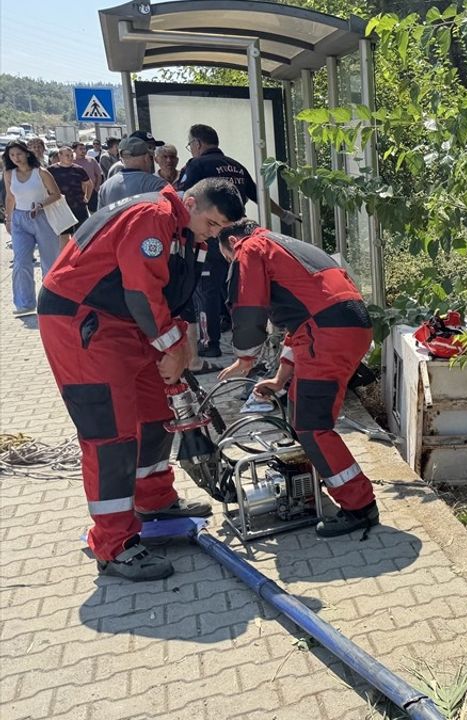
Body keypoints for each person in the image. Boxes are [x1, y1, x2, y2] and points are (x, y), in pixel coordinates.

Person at [37, 179, 245, 581]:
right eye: (212, 222)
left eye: (221, 228)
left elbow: (177, 295)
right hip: (85, 320)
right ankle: (114, 545)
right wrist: (172, 345)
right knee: (111, 434)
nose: (215, 233)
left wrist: (180, 341)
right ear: (190, 203)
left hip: (127, 323)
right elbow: (141, 291)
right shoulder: (153, 217)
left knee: (155, 413)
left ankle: (154, 500)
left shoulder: (186, 232)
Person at [216, 219, 378, 537]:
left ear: (233, 241)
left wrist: (245, 358)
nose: (231, 263)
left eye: (226, 258)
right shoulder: (290, 246)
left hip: (328, 334)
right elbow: (300, 328)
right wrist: (279, 379)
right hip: (345, 327)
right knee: (297, 408)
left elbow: (249, 307)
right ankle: (312, 479)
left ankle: (359, 506)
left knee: (312, 426)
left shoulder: (250, 248)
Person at [177, 124, 297, 359]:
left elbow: (183, 196)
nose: (191, 149)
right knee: (234, 284)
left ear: (198, 144)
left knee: (205, 289)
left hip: (210, 231)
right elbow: (258, 194)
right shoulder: (236, 166)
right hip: (238, 234)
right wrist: (283, 214)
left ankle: (210, 342)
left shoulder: (197, 165)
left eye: (190, 145)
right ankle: (238, 332)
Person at [3, 140, 63, 317]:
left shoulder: (41, 173)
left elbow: (56, 194)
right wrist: (8, 219)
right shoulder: (9, 173)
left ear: (27, 153)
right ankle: (25, 302)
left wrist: (41, 205)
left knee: (49, 261)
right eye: (12, 155)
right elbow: (9, 197)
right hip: (20, 219)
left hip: (42, 217)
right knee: (21, 261)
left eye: (19, 154)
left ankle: (52, 299)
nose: (16, 158)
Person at [97, 135, 168, 206]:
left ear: (122, 159)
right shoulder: (156, 184)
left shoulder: (105, 188)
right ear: (146, 158)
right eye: (150, 157)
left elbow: (101, 216)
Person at [48, 147, 92, 243]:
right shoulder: (52, 170)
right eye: (67, 155)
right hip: (61, 207)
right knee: (64, 236)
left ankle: (79, 257)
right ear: (60, 156)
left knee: (80, 235)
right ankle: (66, 257)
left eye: (71, 155)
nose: (70, 157)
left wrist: (87, 198)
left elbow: (89, 184)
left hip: (78, 206)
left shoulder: (78, 169)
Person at [71, 142, 105, 211]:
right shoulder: (71, 162)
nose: (83, 151)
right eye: (80, 149)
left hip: (92, 191)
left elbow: (99, 175)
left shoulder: (91, 160)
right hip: (77, 193)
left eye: (84, 149)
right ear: (74, 150)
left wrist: (97, 187)